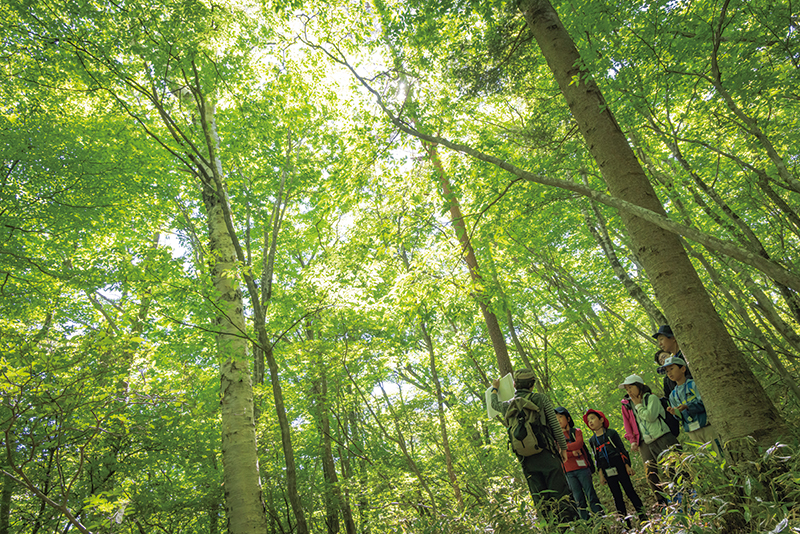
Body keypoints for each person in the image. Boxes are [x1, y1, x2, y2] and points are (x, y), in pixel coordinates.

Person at [491, 369, 577, 524]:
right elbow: (555, 425)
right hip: (547, 454)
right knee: (560, 494)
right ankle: (570, 526)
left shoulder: (509, 405)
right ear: (532, 384)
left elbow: (493, 404)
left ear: (515, 385)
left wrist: (495, 388)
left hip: (526, 459)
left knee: (540, 498)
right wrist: (563, 448)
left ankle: (550, 528)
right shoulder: (540, 398)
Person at [619, 374, 680, 503]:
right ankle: (665, 501)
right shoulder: (629, 405)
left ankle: (686, 493)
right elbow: (630, 424)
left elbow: (651, 416)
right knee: (657, 471)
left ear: (639, 386)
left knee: (674, 467)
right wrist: (633, 440)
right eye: (626, 389)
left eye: (631, 387)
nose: (629, 391)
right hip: (648, 441)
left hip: (663, 436)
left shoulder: (651, 399)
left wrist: (638, 405)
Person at [584, 409, 646, 526]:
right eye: (588, 421)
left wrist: (627, 465)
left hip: (619, 464)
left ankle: (643, 516)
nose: (590, 422)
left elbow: (622, 449)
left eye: (592, 418)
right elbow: (597, 459)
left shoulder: (611, 433)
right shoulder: (592, 440)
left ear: (601, 420)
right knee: (617, 496)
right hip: (607, 469)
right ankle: (625, 523)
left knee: (630, 491)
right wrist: (601, 475)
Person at [662, 356, 722, 455]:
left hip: (706, 426)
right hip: (691, 431)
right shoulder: (672, 395)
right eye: (667, 371)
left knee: (718, 453)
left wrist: (687, 406)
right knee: (705, 457)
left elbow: (704, 403)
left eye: (672, 369)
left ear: (683, 369)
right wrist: (675, 413)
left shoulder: (693, 385)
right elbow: (679, 417)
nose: (669, 373)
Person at [555, 406, 602, 520]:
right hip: (568, 472)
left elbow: (579, 444)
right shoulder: (555, 437)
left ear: (568, 418)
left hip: (582, 469)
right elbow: (558, 452)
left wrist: (564, 449)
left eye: (561, 417)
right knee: (578, 499)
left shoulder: (576, 431)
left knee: (591, 495)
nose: (559, 420)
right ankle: (588, 524)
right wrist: (571, 453)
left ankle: (601, 520)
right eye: (556, 418)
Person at [652, 326, 692, 397]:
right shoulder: (674, 361)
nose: (660, 344)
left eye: (661, 339)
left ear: (673, 338)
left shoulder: (687, 356)